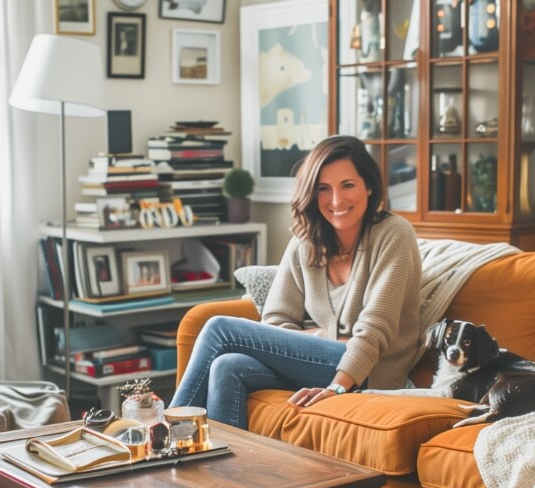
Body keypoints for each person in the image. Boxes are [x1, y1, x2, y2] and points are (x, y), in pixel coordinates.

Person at [170, 135, 423, 429]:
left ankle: (168, 433)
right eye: (324, 189)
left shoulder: (394, 234)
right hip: (323, 358)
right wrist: (323, 336)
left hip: (369, 369)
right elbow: (276, 319)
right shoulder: (307, 239)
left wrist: (337, 387)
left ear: (368, 186)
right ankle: (223, 460)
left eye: (348, 185)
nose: (336, 200)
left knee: (219, 328)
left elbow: (375, 329)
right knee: (226, 366)